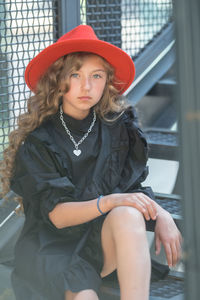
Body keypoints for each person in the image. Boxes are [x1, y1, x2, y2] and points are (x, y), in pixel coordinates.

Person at [0, 25, 182, 300]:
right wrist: (109, 202)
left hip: (99, 239)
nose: (87, 86)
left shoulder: (119, 127)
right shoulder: (40, 140)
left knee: (128, 213)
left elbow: (131, 188)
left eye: (96, 76)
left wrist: (162, 215)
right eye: (75, 74)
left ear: (107, 81)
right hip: (53, 247)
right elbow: (58, 217)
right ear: (58, 80)